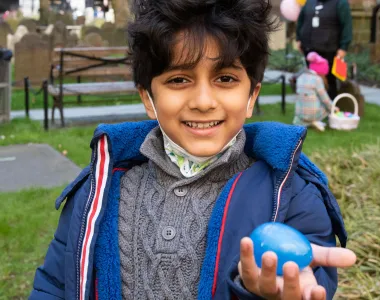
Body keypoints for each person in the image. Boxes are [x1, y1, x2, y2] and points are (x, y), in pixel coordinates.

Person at [29, 0, 356, 299]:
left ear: (252, 96)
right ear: (147, 98)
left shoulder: (290, 195)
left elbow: (305, 275)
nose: (203, 102)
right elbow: (55, 285)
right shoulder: (97, 190)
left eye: (225, 79)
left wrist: (259, 290)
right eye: (179, 80)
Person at [296, 0, 353, 100]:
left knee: (329, 82)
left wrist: (343, 47)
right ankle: (312, 108)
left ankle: (331, 108)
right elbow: (301, 19)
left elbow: (347, 26)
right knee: (312, 81)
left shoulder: (341, 3)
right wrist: (299, 39)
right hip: (309, 50)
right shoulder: (310, 2)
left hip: (330, 51)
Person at [294, 52, 336, 131]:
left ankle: (304, 122)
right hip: (312, 114)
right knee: (326, 107)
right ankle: (314, 121)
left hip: (300, 114)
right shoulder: (317, 79)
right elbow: (325, 99)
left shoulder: (301, 77)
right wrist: (333, 108)